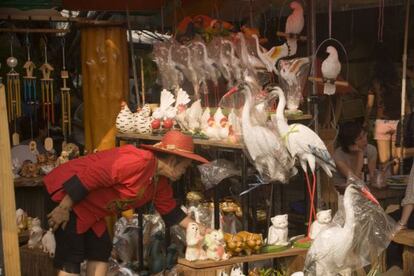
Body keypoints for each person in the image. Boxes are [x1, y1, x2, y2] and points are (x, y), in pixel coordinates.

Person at [44, 130, 209, 275]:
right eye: (185, 167)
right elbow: (92, 175)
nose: (184, 172)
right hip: (67, 195)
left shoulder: (160, 182)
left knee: (101, 249)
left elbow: (171, 212)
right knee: (71, 256)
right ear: (173, 161)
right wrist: (63, 207)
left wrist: (202, 230)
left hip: (91, 210)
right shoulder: (139, 160)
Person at [364, 47, 402, 174]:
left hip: (382, 122)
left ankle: (386, 184)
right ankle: (396, 182)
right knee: (396, 158)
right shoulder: (398, 82)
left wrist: (365, 121)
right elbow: (406, 103)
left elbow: (369, 105)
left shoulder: (374, 82)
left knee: (384, 162)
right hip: (398, 122)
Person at [333, 121, 378, 189]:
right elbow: (354, 181)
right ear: (350, 143)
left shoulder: (371, 150)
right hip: (342, 191)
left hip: (363, 189)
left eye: (364, 135)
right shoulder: (338, 155)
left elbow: (370, 177)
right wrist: (360, 154)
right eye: (360, 138)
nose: (365, 140)